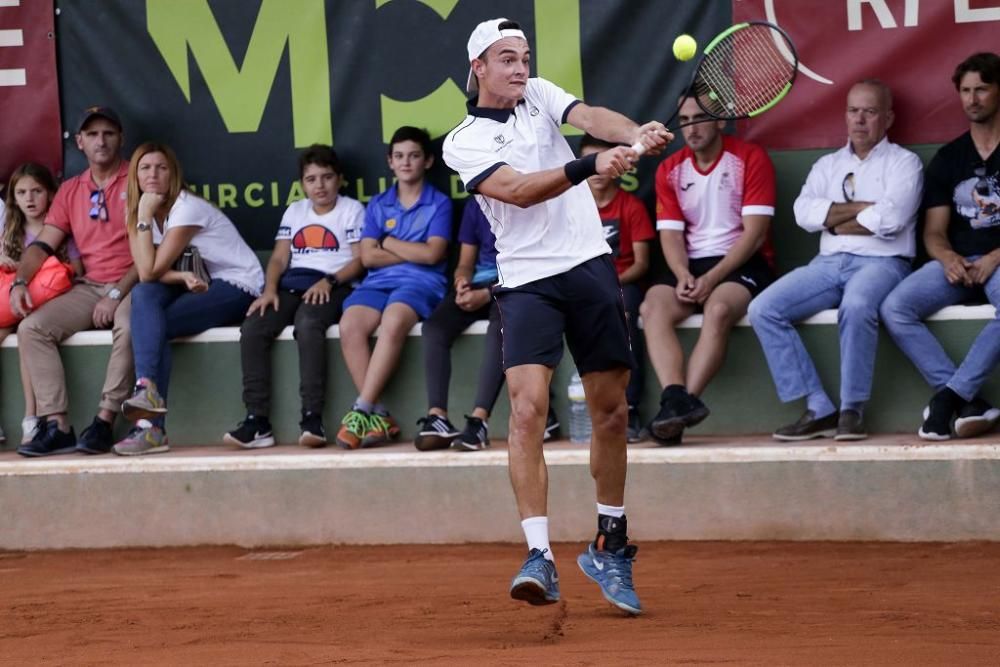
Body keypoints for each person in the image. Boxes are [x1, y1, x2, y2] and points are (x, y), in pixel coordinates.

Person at [443, 18, 670, 615]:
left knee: (611, 412)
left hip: (589, 265)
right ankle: (538, 555)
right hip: (526, 282)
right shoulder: (461, 140)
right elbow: (516, 190)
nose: (520, 67)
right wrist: (589, 168)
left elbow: (594, 118)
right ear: (479, 69)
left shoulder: (541, 95)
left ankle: (610, 541)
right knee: (525, 410)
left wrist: (635, 132)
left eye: (524, 57)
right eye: (507, 59)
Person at [747, 80, 923, 441]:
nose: (859, 120)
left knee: (857, 305)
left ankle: (851, 410)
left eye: (870, 112)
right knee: (764, 308)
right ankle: (819, 407)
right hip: (827, 264)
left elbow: (891, 221)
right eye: (852, 110)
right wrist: (864, 211)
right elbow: (803, 214)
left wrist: (833, 217)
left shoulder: (906, 163)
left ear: (887, 118)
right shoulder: (827, 165)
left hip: (883, 263)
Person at [112, 142, 264, 455]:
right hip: (195, 281)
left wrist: (142, 215)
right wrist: (179, 276)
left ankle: (150, 423)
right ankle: (148, 402)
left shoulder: (187, 208)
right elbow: (146, 275)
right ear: (135, 176)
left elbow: (149, 268)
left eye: (161, 168)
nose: (153, 174)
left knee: (157, 325)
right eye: (145, 168)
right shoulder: (140, 210)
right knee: (144, 296)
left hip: (237, 283)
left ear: (173, 174)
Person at [639, 98, 776, 445]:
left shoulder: (749, 158)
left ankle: (678, 413)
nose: (692, 127)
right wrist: (683, 273)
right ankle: (675, 399)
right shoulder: (669, 167)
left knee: (717, 309)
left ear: (720, 123)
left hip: (743, 262)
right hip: (691, 264)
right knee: (652, 307)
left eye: (700, 118)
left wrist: (711, 279)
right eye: (684, 120)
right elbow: (669, 234)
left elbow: (755, 233)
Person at [880, 52, 1000, 440]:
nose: (972, 99)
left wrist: (996, 257)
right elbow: (934, 231)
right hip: (960, 261)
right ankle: (970, 399)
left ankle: (947, 398)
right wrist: (948, 258)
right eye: (965, 91)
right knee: (895, 307)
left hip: (999, 261)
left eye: (981, 88)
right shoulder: (950, 158)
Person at [12, 106, 138, 457]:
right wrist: (20, 281)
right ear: (79, 142)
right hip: (90, 285)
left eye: (108, 133)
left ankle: (103, 421)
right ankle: (59, 426)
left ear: (121, 139)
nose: (101, 141)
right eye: (93, 134)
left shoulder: (138, 178)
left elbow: (154, 252)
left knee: (129, 327)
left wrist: (116, 293)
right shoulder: (70, 190)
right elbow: (42, 244)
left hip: (134, 281)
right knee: (32, 328)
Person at [225, 145, 364, 449]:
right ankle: (257, 421)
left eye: (327, 177)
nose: (320, 185)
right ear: (303, 183)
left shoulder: (351, 209)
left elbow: (359, 260)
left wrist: (330, 281)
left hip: (334, 285)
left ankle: (312, 417)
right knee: (253, 326)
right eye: (311, 179)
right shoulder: (295, 211)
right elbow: (277, 258)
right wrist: (270, 290)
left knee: (308, 324)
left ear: (339, 179)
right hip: (291, 284)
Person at [335, 126, 452, 450]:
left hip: (421, 283)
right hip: (378, 283)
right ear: (389, 162)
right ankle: (379, 414)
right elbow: (369, 257)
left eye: (414, 156)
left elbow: (432, 255)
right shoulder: (378, 203)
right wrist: (406, 248)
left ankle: (360, 408)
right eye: (399, 156)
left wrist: (387, 241)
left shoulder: (439, 203)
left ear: (427, 161)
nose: (406, 162)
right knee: (350, 326)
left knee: (393, 320)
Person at [413, 201, 560, 452]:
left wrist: (488, 293)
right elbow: (466, 262)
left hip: (520, 283)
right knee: (434, 328)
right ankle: (437, 417)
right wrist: (462, 281)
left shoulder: (529, 199)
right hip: (481, 283)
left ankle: (479, 420)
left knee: (500, 326)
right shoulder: (475, 203)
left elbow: (536, 264)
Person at [578, 134, 656, 443]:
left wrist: (607, 284)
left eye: (602, 162)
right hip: (581, 288)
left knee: (620, 314)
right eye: (589, 164)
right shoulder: (572, 208)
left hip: (623, 285)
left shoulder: (631, 206)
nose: (597, 172)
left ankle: (631, 408)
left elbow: (641, 264)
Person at [1, 164, 84, 445]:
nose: (30, 198)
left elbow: (78, 270)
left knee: (28, 331)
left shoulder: (60, 230)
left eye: (37, 191)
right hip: (15, 304)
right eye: (22, 192)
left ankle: (32, 417)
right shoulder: (12, 231)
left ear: (50, 194)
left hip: (49, 305)